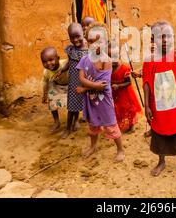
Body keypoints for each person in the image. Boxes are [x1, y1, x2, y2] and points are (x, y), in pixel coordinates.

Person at [142, 21, 176, 183]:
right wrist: (147, 105)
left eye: (168, 36)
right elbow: (146, 83)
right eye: (160, 37)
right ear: (153, 39)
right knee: (159, 134)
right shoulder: (149, 61)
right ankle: (161, 161)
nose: (164, 40)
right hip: (158, 107)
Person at [76, 22, 125, 162]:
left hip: (104, 100)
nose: (94, 45)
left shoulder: (106, 61)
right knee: (93, 125)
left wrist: (85, 88)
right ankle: (93, 146)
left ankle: (120, 149)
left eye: (99, 41)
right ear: (87, 42)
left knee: (111, 125)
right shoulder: (84, 59)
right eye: (91, 41)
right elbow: (81, 78)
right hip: (90, 100)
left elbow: (102, 86)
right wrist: (91, 85)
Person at [55, 23, 88, 138]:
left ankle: (76, 122)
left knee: (80, 104)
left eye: (77, 36)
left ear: (83, 33)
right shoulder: (71, 50)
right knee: (71, 107)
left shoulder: (88, 51)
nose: (75, 40)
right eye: (72, 37)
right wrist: (62, 70)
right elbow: (69, 62)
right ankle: (68, 128)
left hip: (84, 83)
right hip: (73, 83)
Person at [109, 42, 142, 133]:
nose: (112, 60)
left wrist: (118, 86)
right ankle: (119, 124)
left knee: (129, 109)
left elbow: (129, 82)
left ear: (119, 55)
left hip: (125, 93)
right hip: (114, 93)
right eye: (110, 57)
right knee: (118, 108)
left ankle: (132, 125)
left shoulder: (124, 68)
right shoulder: (108, 68)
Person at [41, 47, 68, 134]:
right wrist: (44, 95)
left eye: (51, 60)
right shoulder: (46, 72)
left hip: (70, 85)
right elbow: (45, 83)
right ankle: (57, 121)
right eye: (44, 62)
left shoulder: (65, 64)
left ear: (58, 58)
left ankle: (75, 121)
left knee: (73, 102)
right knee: (51, 98)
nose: (48, 63)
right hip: (58, 86)